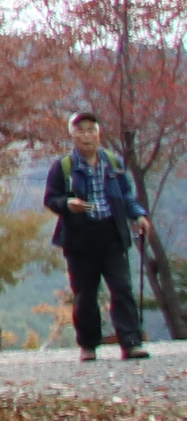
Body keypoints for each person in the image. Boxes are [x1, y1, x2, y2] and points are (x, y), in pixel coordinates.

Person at [45, 112, 153, 361]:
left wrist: (138, 215)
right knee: (85, 295)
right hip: (80, 239)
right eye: (80, 130)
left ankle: (131, 342)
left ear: (98, 133)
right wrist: (68, 203)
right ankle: (89, 345)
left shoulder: (113, 163)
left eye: (91, 129)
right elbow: (51, 199)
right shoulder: (64, 167)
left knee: (122, 289)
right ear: (72, 135)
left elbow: (126, 196)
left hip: (112, 234)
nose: (86, 135)